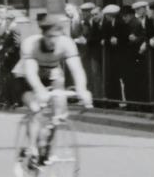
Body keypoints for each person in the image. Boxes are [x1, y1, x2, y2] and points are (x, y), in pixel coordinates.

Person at [12, 15, 93, 166]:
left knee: (60, 113)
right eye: (49, 37)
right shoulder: (30, 44)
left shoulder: (67, 44)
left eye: (56, 37)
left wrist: (83, 90)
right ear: (42, 35)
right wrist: (39, 90)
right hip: (26, 77)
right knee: (36, 109)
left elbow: (77, 69)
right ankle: (32, 149)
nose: (52, 41)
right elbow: (31, 73)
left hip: (52, 73)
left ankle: (45, 147)